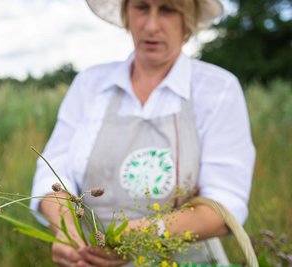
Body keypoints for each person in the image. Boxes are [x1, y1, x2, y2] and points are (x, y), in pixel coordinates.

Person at [31, 0, 255, 266]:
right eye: (141, 7)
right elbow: (53, 173)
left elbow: (225, 204)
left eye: (168, 10)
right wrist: (67, 232)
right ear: (126, 12)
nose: (150, 25)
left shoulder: (217, 89)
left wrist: (137, 235)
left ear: (188, 20)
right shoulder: (90, 85)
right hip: (90, 259)